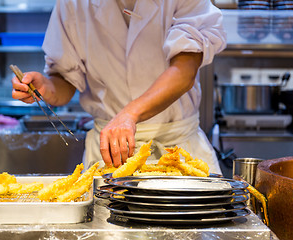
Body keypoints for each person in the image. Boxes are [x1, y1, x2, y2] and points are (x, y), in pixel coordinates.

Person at [12, 0, 227, 174]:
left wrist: (129, 115)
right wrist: (45, 88)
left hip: (179, 152)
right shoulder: (73, 4)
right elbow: (65, 80)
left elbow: (184, 71)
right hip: (110, 158)